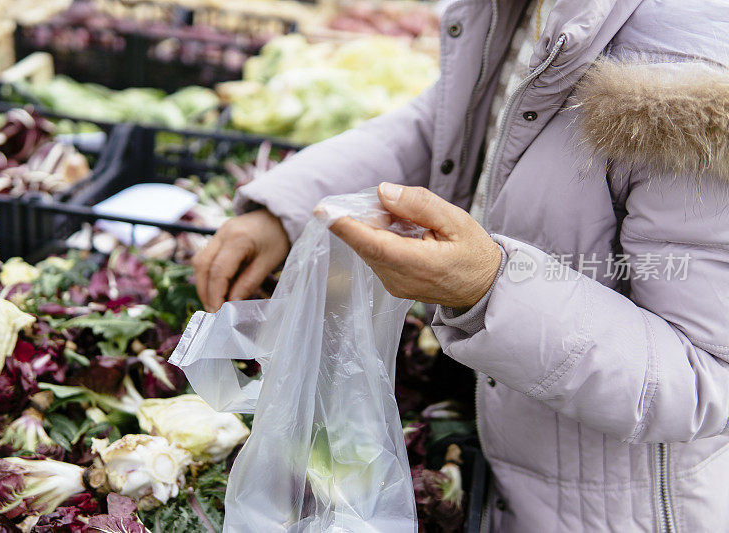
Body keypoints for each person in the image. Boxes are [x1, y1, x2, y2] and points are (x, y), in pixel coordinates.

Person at [195, 0, 729, 530]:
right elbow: (446, 126)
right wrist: (290, 207)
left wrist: (491, 288)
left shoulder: (690, 70)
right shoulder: (519, 10)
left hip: (605, 513)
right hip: (494, 440)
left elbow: (706, 380)